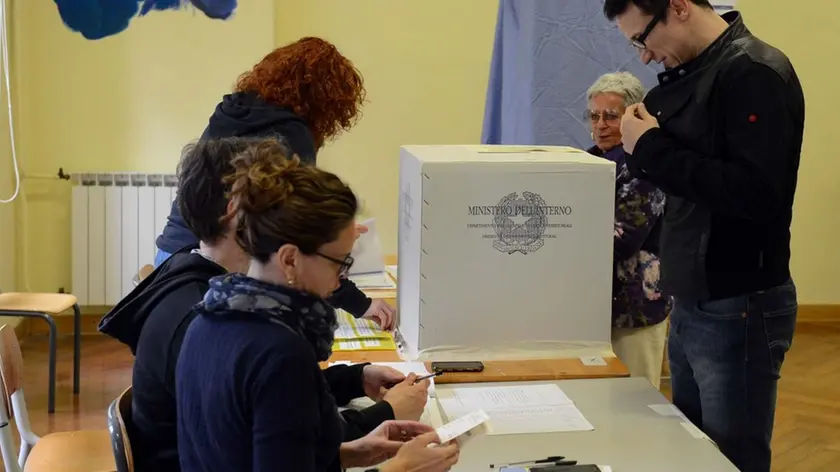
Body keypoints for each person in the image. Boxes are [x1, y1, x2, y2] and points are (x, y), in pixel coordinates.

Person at [99, 138, 430, 472]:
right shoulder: (280, 351)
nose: (339, 281)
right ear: (289, 259)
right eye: (339, 264)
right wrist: (396, 469)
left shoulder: (210, 312)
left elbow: (247, 444)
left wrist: (349, 453)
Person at [603, 1, 804, 471]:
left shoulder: (755, 73)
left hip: (738, 300)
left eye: (643, 38)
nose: (645, 57)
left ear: (678, 8)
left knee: (731, 459)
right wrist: (644, 142)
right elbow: (681, 177)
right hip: (693, 296)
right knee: (692, 452)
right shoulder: (692, 75)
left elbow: (755, 194)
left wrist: (649, 145)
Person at [153, 36, 395, 329]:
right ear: (326, 101)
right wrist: (361, 303)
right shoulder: (291, 135)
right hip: (213, 274)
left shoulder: (230, 112)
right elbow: (294, 237)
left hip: (170, 260)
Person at [584, 72, 669, 389]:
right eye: (594, 116)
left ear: (633, 118)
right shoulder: (587, 160)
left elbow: (623, 239)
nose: (600, 124)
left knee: (635, 397)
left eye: (610, 116)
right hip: (593, 305)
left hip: (635, 308)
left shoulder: (643, 165)